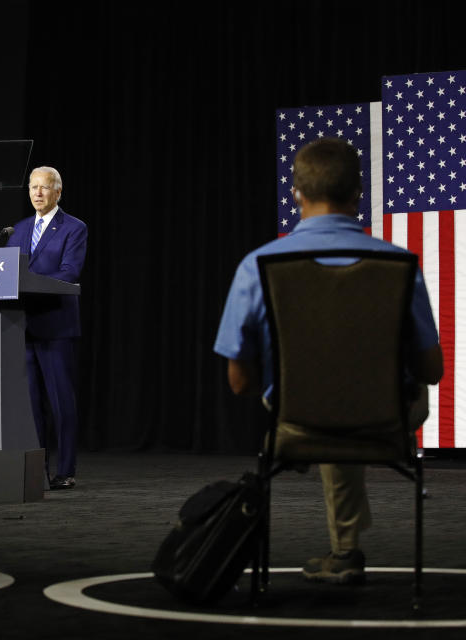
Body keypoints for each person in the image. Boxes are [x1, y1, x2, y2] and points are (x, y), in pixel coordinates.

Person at [214, 137, 443, 584]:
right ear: (358, 194)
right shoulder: (399, 265)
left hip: (296, 418)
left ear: (295, 193)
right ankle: (345, 550)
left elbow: (239, 382)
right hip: (387, 419)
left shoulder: (257, 266)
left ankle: (344, 550)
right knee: (354, 395)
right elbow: (432, 371)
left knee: (327, 398)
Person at [5, 166, 87, 490]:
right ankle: (37, 470)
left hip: (56, 325)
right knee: (31, 405)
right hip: (23, 326)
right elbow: (9, 268)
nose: (37, 193)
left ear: (58, 192)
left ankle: (65, 471)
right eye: (33, 187)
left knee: (60, 402)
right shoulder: (20, 228)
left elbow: (70, 272)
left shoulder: (74, 228)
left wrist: (31, 283)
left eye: (44, 188)